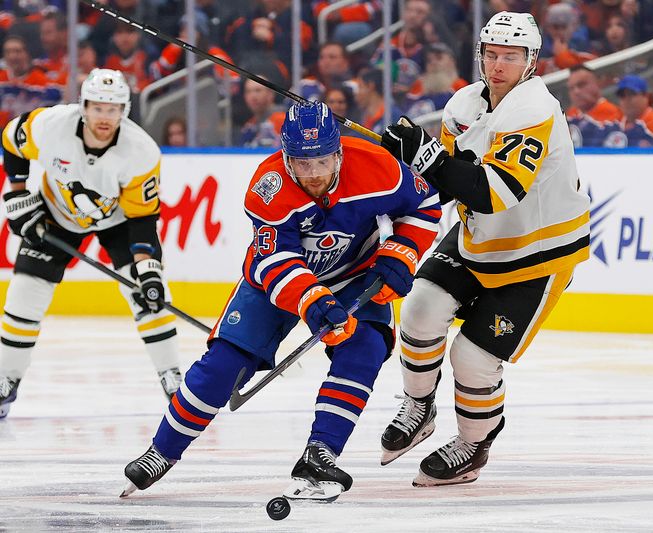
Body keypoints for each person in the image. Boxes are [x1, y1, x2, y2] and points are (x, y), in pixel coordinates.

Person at [121, 101, 440, 501]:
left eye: (322, 161)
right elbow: (276, 259)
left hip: (355, 274)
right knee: (224, 364)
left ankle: (320, 452)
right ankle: (161, 452)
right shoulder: (267, 188)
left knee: (366, 348)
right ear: (285, 155)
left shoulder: (379, 167)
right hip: (276, 283)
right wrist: (310, 298)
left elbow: (426, 205)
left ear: (338, 150)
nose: (312, 175)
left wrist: (403, 252)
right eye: (301, 163)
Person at [378, 11, 590, 486]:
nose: (498, 66)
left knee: (472, 358)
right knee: (418, 311)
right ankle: (419, 406)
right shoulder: (464, 103)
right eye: (491, 55)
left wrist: (426, 155)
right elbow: (450, 182)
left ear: (530, 61)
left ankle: (472, 446)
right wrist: (404, 167)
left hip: (539, 252)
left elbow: (494, 193)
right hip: (480, 237)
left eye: (510, 57)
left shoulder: (534, 109)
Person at [0, 68, 183, 418]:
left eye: (113, 109)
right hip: (57, 212)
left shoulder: (141, 151)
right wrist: (18, 192)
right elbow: (11, 140)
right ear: (83, 105)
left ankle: (171, 376)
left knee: (150, 296)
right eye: (98, 107)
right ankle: (5, 380)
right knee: (24, 294)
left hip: (118, 221)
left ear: (124, 111)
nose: (104, 117)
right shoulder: (50, 125)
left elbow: (143, 219)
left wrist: (148, 268)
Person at [566, 65, 624, 147]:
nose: (576, 92)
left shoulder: (615, 115)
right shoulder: (569, 115)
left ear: (597, 83)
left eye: (581, 85)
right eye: (571, 88)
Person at [616, 74, 653, 148]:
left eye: (631, 94)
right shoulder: (615, 122)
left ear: (646, 96)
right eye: (622, 95)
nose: (626, 100)